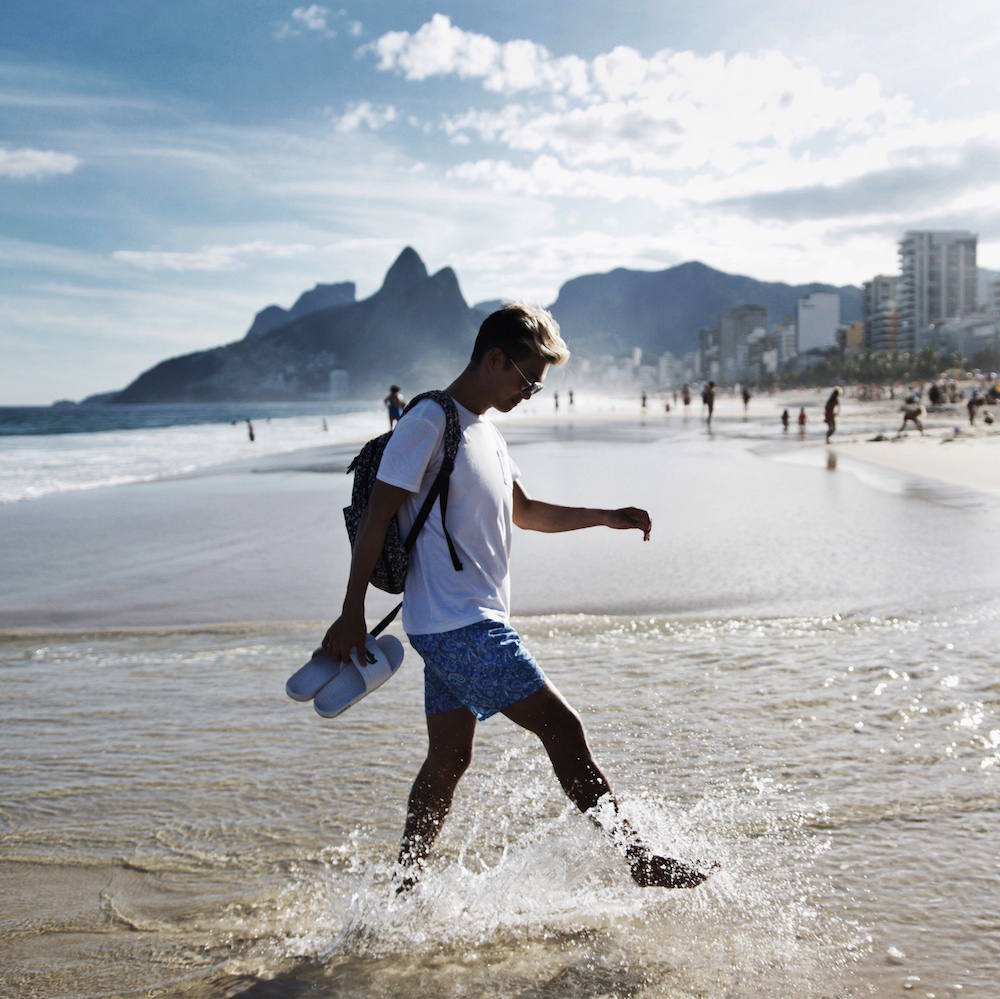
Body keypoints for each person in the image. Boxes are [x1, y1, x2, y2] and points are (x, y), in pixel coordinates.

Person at [321, 303, 712, 894]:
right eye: (526, 379)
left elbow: (525, 513)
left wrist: (606, 516)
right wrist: (351, 614)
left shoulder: (488, 434)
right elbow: (377, 517)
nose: (530, 392)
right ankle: (637, 858)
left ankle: (402, 891)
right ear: (493, 358)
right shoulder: (428, 421)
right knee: (563, 726)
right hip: (459, 625)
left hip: (453, 622)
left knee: (449, 759)